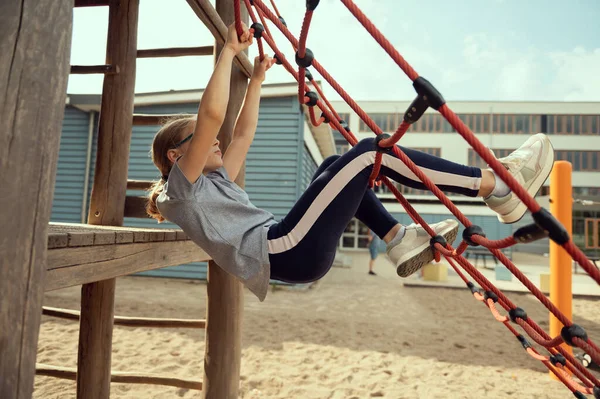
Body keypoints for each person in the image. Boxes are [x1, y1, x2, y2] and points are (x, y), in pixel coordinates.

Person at [146, 23, 555, 302]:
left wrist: (255, 81)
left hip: (290, 251)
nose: (213, 142)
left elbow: (242, 134)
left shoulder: (215, 183)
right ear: (175, 155)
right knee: (370, 152)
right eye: (198, 139)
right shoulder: (182, 190)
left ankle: (398, 239)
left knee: (334, 166)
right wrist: (228, 51)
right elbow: (213, 118)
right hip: (282, 249)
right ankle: (495, 186)